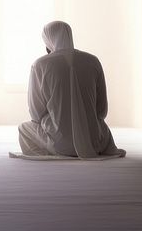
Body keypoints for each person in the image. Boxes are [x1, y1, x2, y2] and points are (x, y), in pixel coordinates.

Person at [17, 20, 125, 159]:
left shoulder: (40, 65)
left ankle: (56, 152)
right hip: (95, 142)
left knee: (24, 129)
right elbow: (101, 111)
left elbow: (36, 114)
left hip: (60, 144)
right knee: (100, 126)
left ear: (48, 40)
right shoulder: (93, 61)